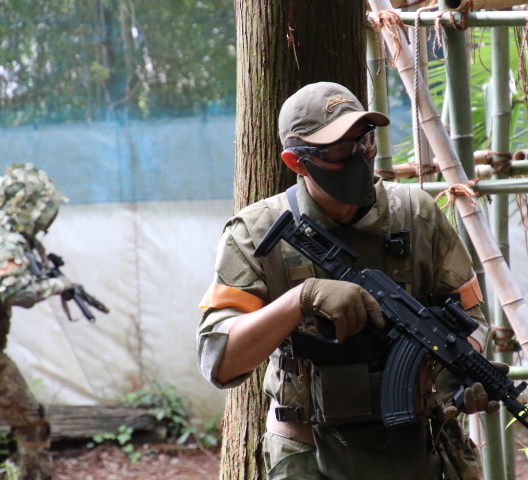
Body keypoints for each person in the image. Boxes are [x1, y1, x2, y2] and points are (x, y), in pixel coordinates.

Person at [197, 82, 505, 480]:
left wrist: (459, 372)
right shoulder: (254, 233)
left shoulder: (418, 216)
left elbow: (470, 319)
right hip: (308, 457)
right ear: (296, 161)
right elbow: (219, 360)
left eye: (365, 141)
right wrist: (300, 300)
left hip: (415, 452)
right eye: (340, 150)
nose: (360, 157)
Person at [0, 163, 73, 480]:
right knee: (32, 422)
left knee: (32, 421)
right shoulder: (7, 240)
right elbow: (17, 291)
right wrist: (57, 285)